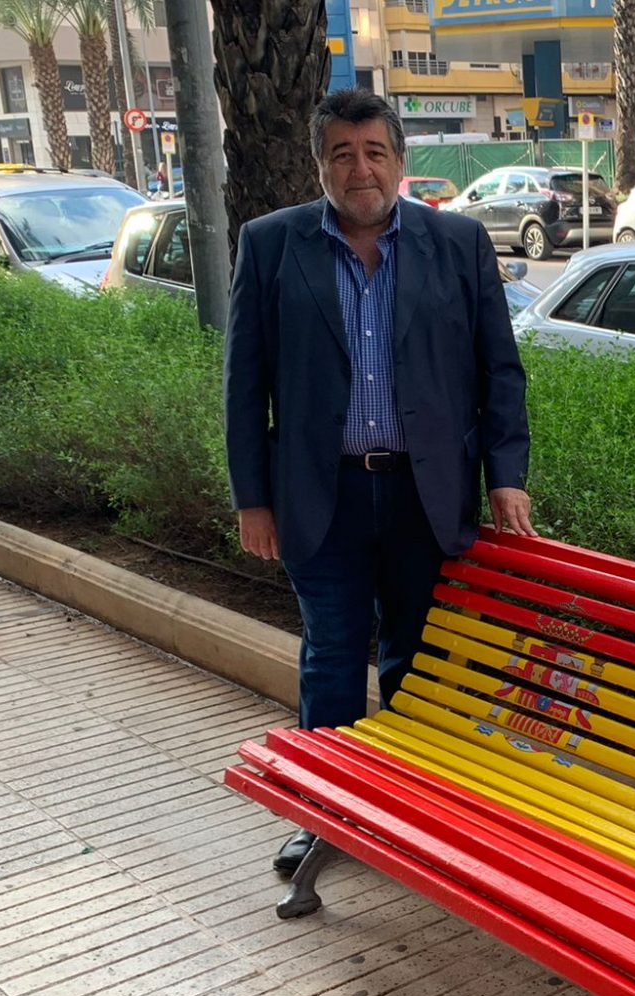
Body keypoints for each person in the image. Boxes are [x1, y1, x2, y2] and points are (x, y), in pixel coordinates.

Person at [223, 89, 533, 876]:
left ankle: (403, 807)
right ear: (320, 163)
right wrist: (252, 500)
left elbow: (499, 370)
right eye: (341, 153)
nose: (359, 168)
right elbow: (244, 381)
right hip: (317, 495)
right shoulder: (270, 245)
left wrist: (508, 477)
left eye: (374, 152)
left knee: (413, 655)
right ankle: (321, 814)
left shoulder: (457, 244)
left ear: (400, 161)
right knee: (330, 656)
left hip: (422, 497)